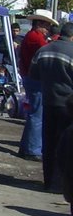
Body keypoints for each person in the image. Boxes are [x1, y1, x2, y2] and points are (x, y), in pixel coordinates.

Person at [30, 21, 73, 193]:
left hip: (48, 101)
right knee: (66, 146)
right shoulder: (71, 52)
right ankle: (62, 183)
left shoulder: (43, 50)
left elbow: (33, 74)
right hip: (68, 104)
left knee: (49, 143)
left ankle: (49, 181)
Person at [19, 10, 56, 162]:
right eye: (46, 25)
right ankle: (33, 149)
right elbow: (47, 50)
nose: (47, 28)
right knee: (37, 113)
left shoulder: (33, 36)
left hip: (29, 76)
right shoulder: (36, 38)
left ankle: (27, 146)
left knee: (34, 113)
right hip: (34, 78)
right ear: (39, 24)